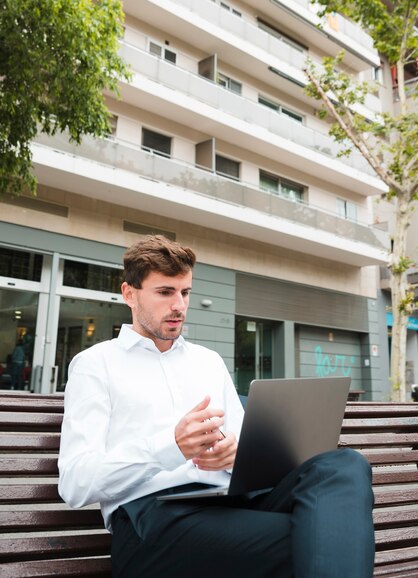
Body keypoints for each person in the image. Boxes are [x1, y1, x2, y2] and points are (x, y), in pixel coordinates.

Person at [58, 235, 375, 578]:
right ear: (129, 294)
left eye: (185, 292)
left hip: (229, 502)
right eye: (165, 292)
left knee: (343, 463)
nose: (179, 304)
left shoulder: (207, 361)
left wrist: (234, 455)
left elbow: (242, 446)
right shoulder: (95, 364)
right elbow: (76, 483)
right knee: (322, 538)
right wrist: (170, 447)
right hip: (150, 519)